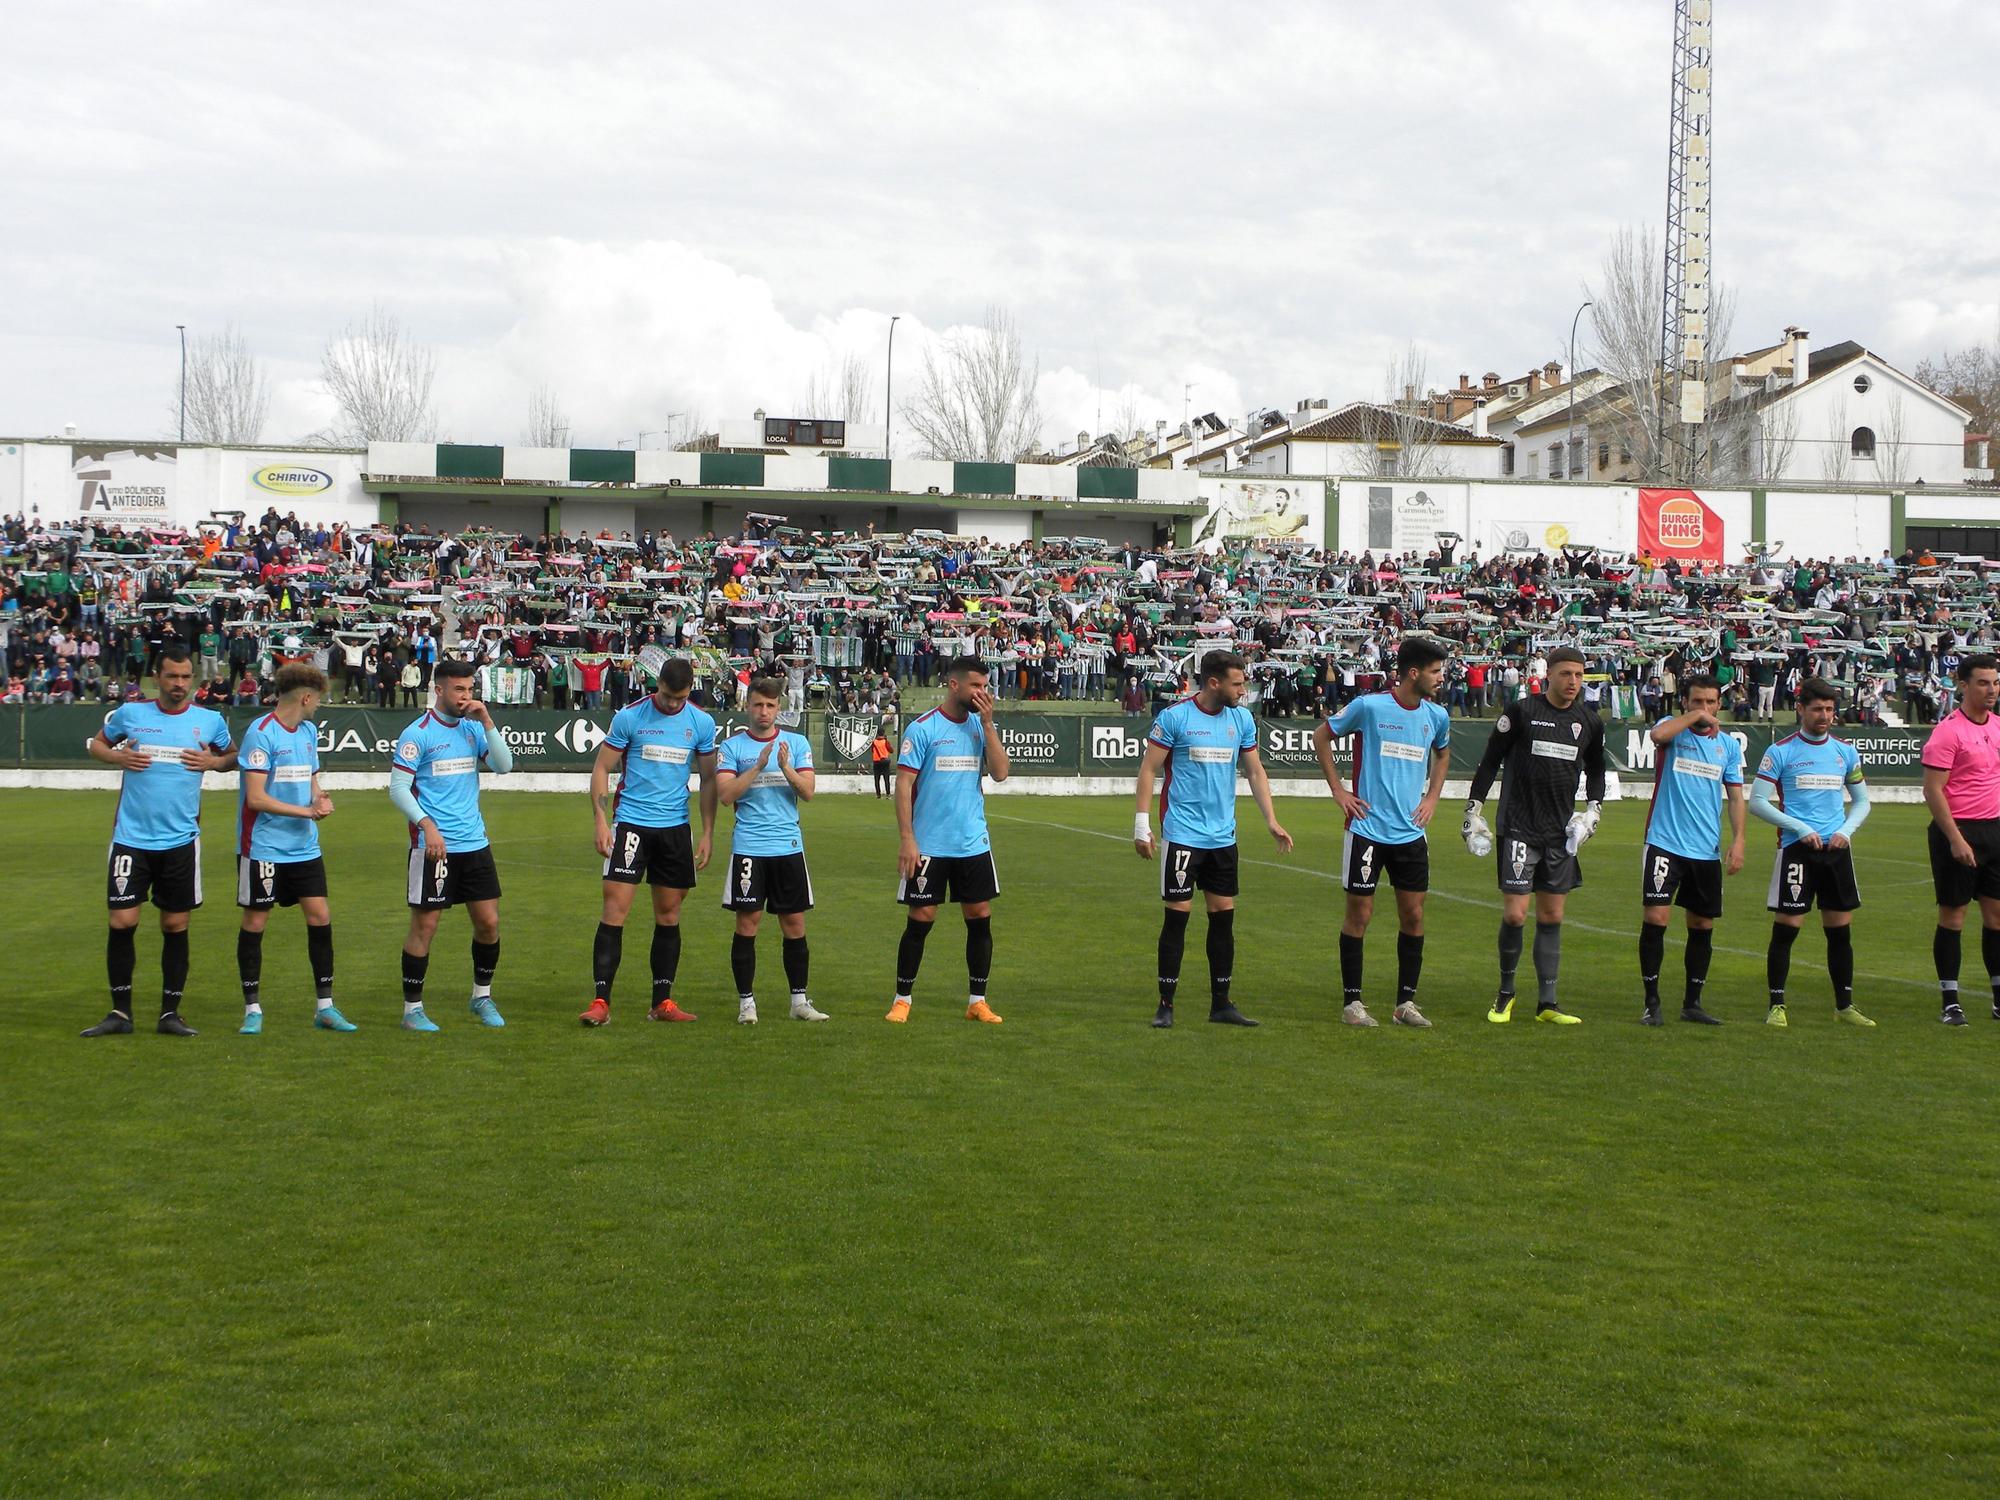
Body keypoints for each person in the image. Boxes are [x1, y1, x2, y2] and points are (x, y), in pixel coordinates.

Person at [81, 646, 236, 1037]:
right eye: (172, 677)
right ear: (157, 678)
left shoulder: (209, 720)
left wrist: (214, 763)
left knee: (175, 924)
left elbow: (234, 755)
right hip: (131, 838)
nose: (180, 684)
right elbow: (97, 744)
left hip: (181, 841)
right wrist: (119, 759)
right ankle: (120, 1012)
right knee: (122, 920)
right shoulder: (131, 714)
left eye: (186, 677)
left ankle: (170, 1013)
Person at [1133, 649, 1292, 1028]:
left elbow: (1255, 772)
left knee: (1223, 918)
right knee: (1178, 918)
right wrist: (1142, 824)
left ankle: (1221, 1003)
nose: (1245, 690)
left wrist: (1271, 820)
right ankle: (1166, 1005)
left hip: (1223, 838)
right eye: (1238, 683)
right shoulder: (1175, 718)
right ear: (1214, 682)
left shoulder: (1242, 721)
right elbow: (1148, 770)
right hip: (1183, 836)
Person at [1463, 645, 1605, 1023]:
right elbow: (1490, 761)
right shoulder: (1522, 712)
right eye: (1565, 674)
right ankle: (1505, 994)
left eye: (1579, 675)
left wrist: (1593, 810)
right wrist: (1474, 809)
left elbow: (1596, 771)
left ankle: (1548, 1004)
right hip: (1520, 830)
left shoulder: (1589, 722)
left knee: (1552, 916)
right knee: (1515, 915)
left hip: (1560, 836)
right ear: (1549, 676)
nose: (1573, 681)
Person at [1315, 636, 1452, 1026]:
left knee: (1414, 916)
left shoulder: (1436, 716)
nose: (1441, 678)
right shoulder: (1370, 707)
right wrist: (1339, 789)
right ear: (1414, 673)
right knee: (1360, 914)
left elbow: (1443, 753)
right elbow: (1322, 736)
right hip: (1367, 831)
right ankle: (1352, 1004)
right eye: (1435, 671)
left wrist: (1432, 798)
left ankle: (1405, 1004)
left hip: (1411, 834)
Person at [579, 656, 717, 1026]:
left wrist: (707, 832)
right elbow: (602, 768)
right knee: (614, 911)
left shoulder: (701, 723)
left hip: (674, 831)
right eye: (669, 696)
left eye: (681, 698)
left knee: (669, 915)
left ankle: (662, 1002)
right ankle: (600, 1002)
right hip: (631, 827)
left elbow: (708, 781)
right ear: (657, 685)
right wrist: (600, 820)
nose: (673, 704)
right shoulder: (630, 716)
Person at [388, 659, 513, 1032]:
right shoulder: (418, 734)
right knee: (425, 927)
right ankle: (412, 1010)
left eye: (470, 690)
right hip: (434, 848)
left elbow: (504, 766)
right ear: (439, 690)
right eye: (459, 690)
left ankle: (482, 997)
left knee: (488, 923)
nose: (466, 697)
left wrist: (487, 721)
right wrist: (428, 826)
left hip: (475, 843)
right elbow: (397, 789)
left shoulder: (474, 730)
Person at [889, 655, 1010, 1024]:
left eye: (985, 687)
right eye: (976, 686)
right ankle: (902, 1000)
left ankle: (977, 1001)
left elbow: (1001, 773)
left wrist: (988, 724)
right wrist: (908, 838)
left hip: (972, 843)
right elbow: (904, 785)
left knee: (979, 916)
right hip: (929, 845)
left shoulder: (979, 726)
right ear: (953, 685)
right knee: (921, 918)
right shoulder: (923, 729)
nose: (982, 693)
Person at [234, 664, 354, 1033]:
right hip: (264, 848)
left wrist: (320, 797)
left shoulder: (307, 731)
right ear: (305, 697)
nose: (319, 705)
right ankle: (252, 1009)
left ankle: (325, 1007)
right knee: (256, 921)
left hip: (304, 847)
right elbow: (255, 798)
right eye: (318, 698)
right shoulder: (261, 733)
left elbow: (311, 777)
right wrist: (307, 810)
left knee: (320, 917)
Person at [1750, 677, 1874, 1027]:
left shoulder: (1845, 752)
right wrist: (1800, 829)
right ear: (1800, 709)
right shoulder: (1781, 752)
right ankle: (1777, 1006)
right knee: (1788, 926)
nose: (1824, 715)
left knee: (1839, 930)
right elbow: (1757, 802)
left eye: (1830, 709)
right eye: (1817, 708)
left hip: (1836, 851)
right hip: (1796, 851)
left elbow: (1863, 801)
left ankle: (1844, 1006)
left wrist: (1845, 832)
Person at [714, 676, 826, 1024]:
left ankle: (799, 1002)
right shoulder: (732, 748)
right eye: (758, 705)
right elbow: (726, 795)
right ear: (747, 706)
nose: (764, 712)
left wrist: (785, 766)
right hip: (749, 847)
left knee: (794, 923)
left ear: (779, 708)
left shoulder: (795, 742)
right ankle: (747, 1004)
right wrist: (759, 766)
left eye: (770, 706)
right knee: (748, 923)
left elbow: (807, 792)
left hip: (788, 847)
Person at [1638, 675, 1746, 1025]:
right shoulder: (1671, 729)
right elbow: (1657, 736)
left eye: (1711, 702)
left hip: (1705, 849)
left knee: (1701, 924)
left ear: (1720, 705)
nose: (1705, 709)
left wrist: (1739, 839)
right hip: (1664, 842)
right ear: (1684, 702)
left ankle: (1692, 1003)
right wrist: (1694, 718)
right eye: (1697, 702)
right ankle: (1651, 1002)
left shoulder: (1728, 747)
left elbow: (1735, 797)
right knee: (1656, 917)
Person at [1919, 653, 2000, 1026]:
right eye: (1983, 683)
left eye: (1995, 682)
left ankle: (1998, 998)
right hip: (1958, 830)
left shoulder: (1998, 727)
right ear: (1963, 686)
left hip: (1995, 830)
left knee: (1996, 917)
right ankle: (1950, 1001)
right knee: (1954, 915)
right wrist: (1955, 838)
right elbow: (1934, 791)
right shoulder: (1948, 732)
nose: (1991, 690)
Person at [870, 725, 894, 798]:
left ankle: (878, 794)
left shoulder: (874, 742)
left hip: (876, 761)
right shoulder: (885, 741)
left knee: (877, 779)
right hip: (884, 761)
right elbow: (891, 750)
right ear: (883, 733)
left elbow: (872, 750)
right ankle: (888, 794)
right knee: (886, 778)